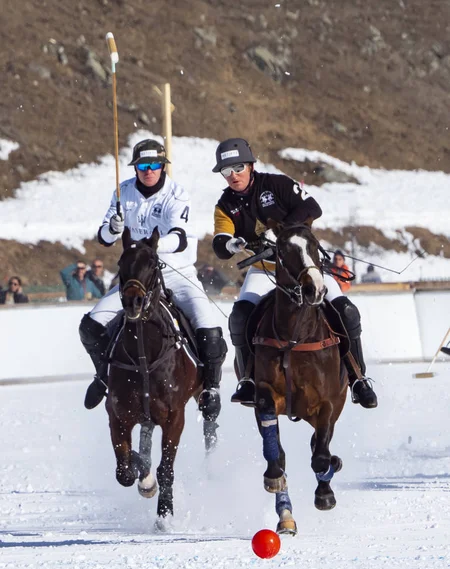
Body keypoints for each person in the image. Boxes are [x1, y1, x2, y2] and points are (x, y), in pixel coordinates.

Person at [212, 137, 377, 409]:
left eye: (238, 167)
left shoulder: (276, 184)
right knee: (240, 317)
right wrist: (231, 243)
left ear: (251, 166)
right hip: (263, 270)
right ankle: (248, 380)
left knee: (346, 312)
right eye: (226, 171)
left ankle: (358, 377)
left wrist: (282, 230)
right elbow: (220, 242)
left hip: (303, 266)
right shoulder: (225, 205)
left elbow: (313, 208)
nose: (233, 175)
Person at [79, 138, 227, 414]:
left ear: (162, 166)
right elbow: (104, 237)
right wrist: (113, 227)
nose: (149, 170)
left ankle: (210, 387)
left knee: (207, 325)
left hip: (175, 270)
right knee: (91, 327)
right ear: (136, 168)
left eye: (155, 165)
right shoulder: (122, 193)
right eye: (143, 165)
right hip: (138, 276)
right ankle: (103, 376)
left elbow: (180, 237)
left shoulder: (176, 193)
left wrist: (151, 249)